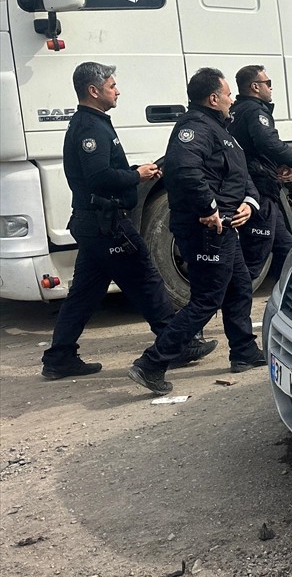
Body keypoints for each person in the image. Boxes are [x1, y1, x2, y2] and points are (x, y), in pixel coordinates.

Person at [41, 62, 216, 380]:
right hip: (107, 225)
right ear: (94, 91)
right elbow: (98, 178)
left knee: (84, 294)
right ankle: (175, 345)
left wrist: (136, 170)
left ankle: (59, 357)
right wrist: (137, 175)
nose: (117, 90)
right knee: (146, 280)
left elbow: (103, 172)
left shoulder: (92, 122)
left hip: (96, 225)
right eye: (112, 85)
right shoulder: (90, 129)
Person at [128, 68, 266, 394]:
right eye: (229, 93)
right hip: (206, 230)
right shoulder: (194, 129)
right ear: (213, 98)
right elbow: (184, 171)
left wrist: (249, 202)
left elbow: (238, 176)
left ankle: (244, 351)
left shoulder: (221, 130)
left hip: (225, 228)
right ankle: (152, 363)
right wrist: (210, 209)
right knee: (206, 300)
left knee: (239, 287)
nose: (233, 99)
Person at [229, 65, 292, 281]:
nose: (271, 87)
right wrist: (291, 160)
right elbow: (267, 140)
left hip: (255, 185)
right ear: (255, 87)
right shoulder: (255, 111)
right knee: (254, 259)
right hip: (259, 186)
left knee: (287, 247)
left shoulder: (236, 110)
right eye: (267, 83)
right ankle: (229, 297)